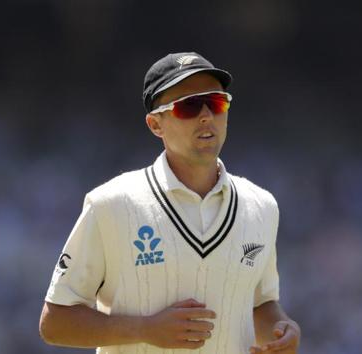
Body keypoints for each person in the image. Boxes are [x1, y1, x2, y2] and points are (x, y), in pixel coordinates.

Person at [39, 52, 301, 354]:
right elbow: (55, 322)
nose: (206, 115)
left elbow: (260, 303)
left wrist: (281, 330)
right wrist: (145, 329)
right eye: (188, 106)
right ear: (155, 125)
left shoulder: (262, 206)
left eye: (216, 103)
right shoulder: (110, 204)